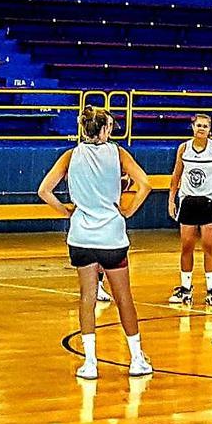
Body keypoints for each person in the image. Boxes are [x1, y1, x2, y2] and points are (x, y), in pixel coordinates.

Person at [38, 106, 154, 379]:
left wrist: (66, 210)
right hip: (111, 235)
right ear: (104, 129)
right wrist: (128, 210)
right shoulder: (118, 153)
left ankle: (90, 362)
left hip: (80, 236)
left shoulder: (70, 155)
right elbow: (145, 184)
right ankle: (136, 359)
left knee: (87, 297)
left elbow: (44, 190)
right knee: (124, 297)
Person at [167, 114, 212, 306]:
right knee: (186, 246)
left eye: (205, 126)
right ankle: (185, 288)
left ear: (210, 130)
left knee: (209, 246)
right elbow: (176, 175)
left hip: (208, 202)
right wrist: (171, 200)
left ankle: (211, 291)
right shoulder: (183, 148)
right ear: (192, 127)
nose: (201, 128)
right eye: (199, 125)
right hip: (188, 201)